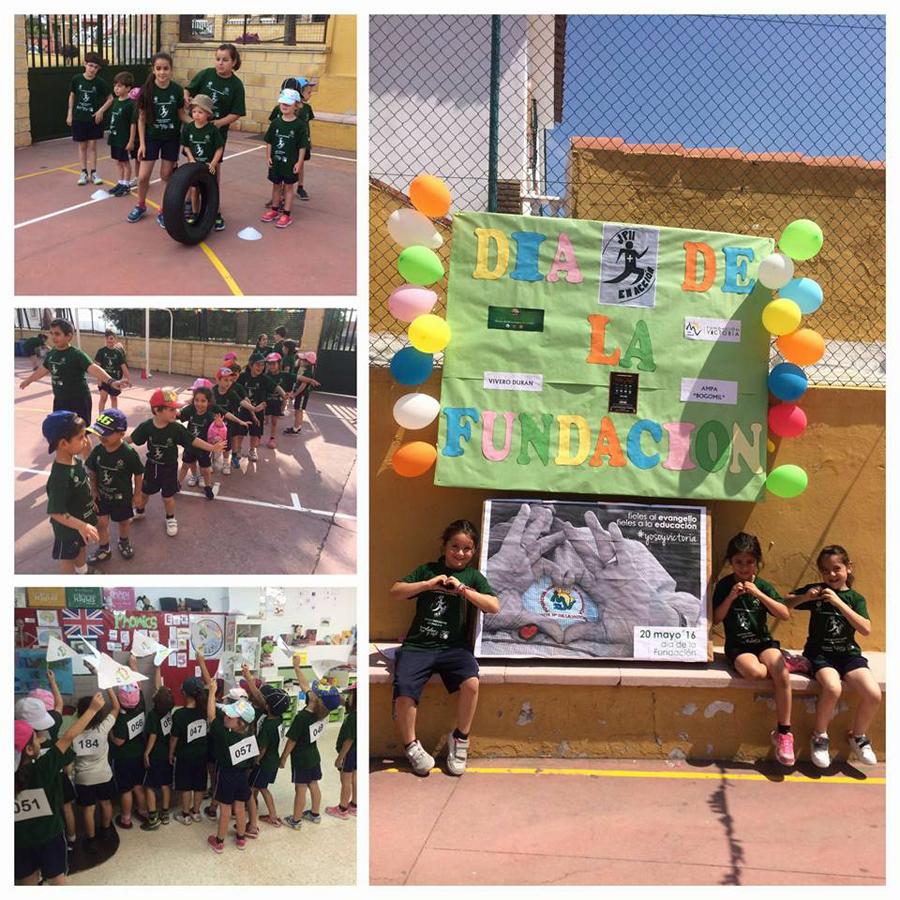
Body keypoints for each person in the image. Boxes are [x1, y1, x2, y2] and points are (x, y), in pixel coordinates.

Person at [390, 519, 500, 776]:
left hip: (454, 648)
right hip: (419, 646)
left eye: (466, 549)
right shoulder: (428, 570)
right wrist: (429, 585)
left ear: (473, 552)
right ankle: (412, 746)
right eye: (455, 546)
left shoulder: (472, 576)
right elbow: (395, 591)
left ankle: (460, 739)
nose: (460, 553)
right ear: (444, 546)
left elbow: (494, 606)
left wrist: (463, 590)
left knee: (471, 683)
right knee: (405, 690)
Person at [786, 545, 882, 768]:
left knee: (873, 694)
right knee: (832, 688)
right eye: (825, 571)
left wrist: (838, 602)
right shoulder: (817, 591)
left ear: (848, 568)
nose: (831, 575)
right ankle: (819, 736)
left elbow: (866, 628)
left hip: (848, 656)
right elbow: (784, 603)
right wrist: (804, 597)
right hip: (821, 656)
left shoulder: (855, 598)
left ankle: (858, 736)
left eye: (836, 569)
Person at [712, 532, 794, 765]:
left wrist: (758, 593)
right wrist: (730, 597)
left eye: (749, 562)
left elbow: (784, 614)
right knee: (756, 673)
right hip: (739, 646)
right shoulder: (725, 585)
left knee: (782, 675)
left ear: (756, 562)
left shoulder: (763, 586)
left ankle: (784, 733)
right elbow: (716, 619)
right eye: (739, 562)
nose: (744, 567)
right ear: (731, 562)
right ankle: (782, 660)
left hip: (763, 643)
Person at [15, 692, 106, 884]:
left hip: (18, 841)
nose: (40, 739)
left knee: (26, 883)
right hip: (50, 835)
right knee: (58, 880)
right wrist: (92, 710)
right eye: (35, 738)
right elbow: (68, 737)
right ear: (30, 750)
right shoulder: (44, 767)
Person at [127, 388, 225, 536]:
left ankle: (170, 518)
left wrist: (212, 447)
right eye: (171, 409)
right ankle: (140, 511)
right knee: (144, 493)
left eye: (175, 409)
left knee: (168, 498)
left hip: (169, 469)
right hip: (151, 467)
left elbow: (193, 440)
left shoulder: (176, 428)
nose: (176, 413)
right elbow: (131, 439)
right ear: (157, 410)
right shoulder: (147, 426)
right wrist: (114, 443)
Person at [197, 651, 258, 853]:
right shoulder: (249, 735)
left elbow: (211, 715)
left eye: (230, 716)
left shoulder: (225, 736)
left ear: (239, 722)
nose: (226, 715)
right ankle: (240, 838)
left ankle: (220, 841)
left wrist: (212, 693)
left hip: (226, 776)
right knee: (239, 808)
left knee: (225, 810)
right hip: (242, 777)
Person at [185, 42, 246, 232]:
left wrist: (218, 123)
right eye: (218, 59)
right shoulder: (206, 74)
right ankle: (191, 204)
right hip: (197, 132)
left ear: (233, 62)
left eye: (225, 60)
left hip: (216, 135)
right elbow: (189, 89)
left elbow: (236, 112)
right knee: (191, 169)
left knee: (212, 173)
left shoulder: (236, 85)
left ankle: (214, 210)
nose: (220, 63)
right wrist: (187, 97)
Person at [20, 318, 123, 427]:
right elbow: (43, 370)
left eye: (57, 334)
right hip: (60, 400)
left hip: (79, 400)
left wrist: (111, 381)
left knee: (81, 432)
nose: (53, 337)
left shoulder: (76, 354)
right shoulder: (51, 354)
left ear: (68, 336)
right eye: (51, 333)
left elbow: (94, 368)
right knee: (62, 431)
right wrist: (28, 380)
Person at [279, 656, 342, 829]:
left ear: (315, 699)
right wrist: (297, 668)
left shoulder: (302, 717)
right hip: (314, 756)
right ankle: (315, 814)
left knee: (300, 788)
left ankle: (296, 820)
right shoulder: (322, 712)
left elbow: (291, 741)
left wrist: (283, 757)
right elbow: (305, 686)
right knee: (313, 784)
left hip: (301, 758)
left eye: (314, 692)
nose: (310, 691)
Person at [128, 52, 187, 226]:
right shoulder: (147, 90)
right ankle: (140, 205)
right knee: (143, 176)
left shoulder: (177, 90)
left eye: (166, 69)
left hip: (171, 138)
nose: (162, 72)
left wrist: (199, 123)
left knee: (166, 175)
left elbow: (181, 114)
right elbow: (141, 119)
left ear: (171, 70)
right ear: (153, 70)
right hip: (151, 138)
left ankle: (163, 209)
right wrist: (142, 144)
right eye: (159, 69)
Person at [85, 409, 144, 564]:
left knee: (124, 522)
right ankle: (104, 549)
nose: (102, 436)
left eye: (107, 433)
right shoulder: (98, 451)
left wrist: (137, 494)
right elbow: (92, 470)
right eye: (99, 432)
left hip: (122, 497)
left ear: (121, 434)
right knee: (101, 524)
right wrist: (93, 490)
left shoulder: (129, 453)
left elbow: (138, 473)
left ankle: (123, 541)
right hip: (101, 496)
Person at [42, 411, 98, 574]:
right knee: (67, 558)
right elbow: (56, 512)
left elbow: (80, 486)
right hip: (68, 530)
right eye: (81, 437)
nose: (86, 441)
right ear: (64, 444)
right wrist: (82, 525)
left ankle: (83, 571)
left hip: (80, 524)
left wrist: (89, 500)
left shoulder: (75, 459)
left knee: (80, 549)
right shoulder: (60, 477)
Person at [28, 671, 78, 847]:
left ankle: (49, 844)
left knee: (44, 813)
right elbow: (59, 704)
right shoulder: (54, 721)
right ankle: (71, 839)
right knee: (67, 807)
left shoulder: (23, 732)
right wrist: (53, 682)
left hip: (34, 781)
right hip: (58, 775)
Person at [71, 688, 120, 854]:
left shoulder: (74, 733)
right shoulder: (103, 728)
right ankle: (106, 830)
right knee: (106, 803)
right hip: (104, 775)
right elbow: (116, 708)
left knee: (88, 809)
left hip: (83, 778)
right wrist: (109, 687)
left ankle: (91, 839)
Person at [261, 88, 309, 229]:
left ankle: (286, 214)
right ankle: (274, 210)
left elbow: (302, 146)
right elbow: (269, 141)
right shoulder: (276, 123)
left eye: (288, 103)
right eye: (282, 103)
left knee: (288, 187)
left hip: (290, 163)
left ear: (296, 105)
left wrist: (299, 162)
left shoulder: (300, 125)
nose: (284, 106)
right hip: (276, 161)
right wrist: (268, 156)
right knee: (276, 185)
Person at [108, 674, 149, 829]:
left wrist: (110, 732)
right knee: (138, 786)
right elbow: (139, 686)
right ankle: (143, 812)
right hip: (139, 753)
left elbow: (119, 741)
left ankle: (126, 819)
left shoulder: (120, 718)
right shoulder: (141, 705)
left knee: (126, 789)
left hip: (123, 758)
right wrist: (133, 666)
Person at [66, 52, 111, 186]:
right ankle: (83, 172)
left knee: (92, 145)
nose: (92, 69)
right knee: (82, 145)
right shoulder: (77, 79)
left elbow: (110, 99)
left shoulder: (100, 83)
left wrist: (100, 111)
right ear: (85, 64)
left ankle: (94, 172)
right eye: (90, 65)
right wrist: (70, 113)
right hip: (79, 118)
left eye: (96, 67)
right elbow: (72, 95)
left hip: (93, 119)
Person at [180, 94, 225, 225]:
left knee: (211, 191)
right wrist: (191, 158)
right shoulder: (189, 128)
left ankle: (215, 214)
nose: (196, 115)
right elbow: (186, 146)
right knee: (194, 190)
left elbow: (219, 148)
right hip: (194, 167)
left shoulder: (212, 130)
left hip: (208, 167)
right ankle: (195, 214)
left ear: (208, 114)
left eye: (200, 112)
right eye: (194, 112)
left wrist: (213, 163)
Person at [170, 676, 209, 826]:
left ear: (184, 693)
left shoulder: (179, 714)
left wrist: (171, 753)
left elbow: (174, 738)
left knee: (185, 785)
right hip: (201, 755)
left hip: (185, 756)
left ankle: (185, 814)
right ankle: (196, 812)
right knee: (199, 785)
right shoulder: (204, 711)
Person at [141, 663, 174, 830]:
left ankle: (153, 818)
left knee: (149, 786)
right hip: (167, 753)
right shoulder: (168, 709)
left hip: (155, 756)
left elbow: (152, 736)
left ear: (155, 700)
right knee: (165, 785)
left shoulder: (153, 715)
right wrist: (157, 668)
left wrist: (146, 753)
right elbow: (159, 688)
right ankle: (165, 814)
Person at [237, 353, 285, 462]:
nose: (260, 367)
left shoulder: (264, 379)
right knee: (240, 431)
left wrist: (284, 395)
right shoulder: (243, 377)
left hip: (259, 410)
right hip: (244, 410)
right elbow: (235, 387)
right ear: (250, 365)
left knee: (255, 432)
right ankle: (238, 449)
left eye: (263, 365)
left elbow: (277, 387)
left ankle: (252, 450)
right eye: (258, 365)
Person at [177, 385, 218, 500]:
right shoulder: (190, 411)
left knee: (205, 468)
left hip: (203, 447)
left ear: (209, 402)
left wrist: (218, 426)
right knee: (186, 465)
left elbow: (216, 432)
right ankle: (179, 483)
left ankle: (208, 486)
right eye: (196, 400)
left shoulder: (210, 416)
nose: (199, 404)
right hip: (190, 445)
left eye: (203, 401)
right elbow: (178, 415)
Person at [212, 367, 254, 475]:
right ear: (218, 380)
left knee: (226, 445)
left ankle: (226, 463)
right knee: (212, 441)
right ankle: (212, 461)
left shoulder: (231, 393)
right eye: (226, 380)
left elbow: (241, 402)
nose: (229, 383)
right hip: (214, 424)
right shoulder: (212, 392)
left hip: (228, 424)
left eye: (230, 380)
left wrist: (253, 408)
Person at [325, 683, 357, 819]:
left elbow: (348, 741)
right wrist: (333, 691)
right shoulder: (357, 713)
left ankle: (342, 808)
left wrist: (340, 758)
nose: (347, 697)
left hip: (348, 753)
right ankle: (355, 805)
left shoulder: (351, 718)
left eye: (350, 695)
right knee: (355, 777)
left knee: (346, 780)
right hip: (356, 752)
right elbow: (345, 703)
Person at [107, 71, 138, 196]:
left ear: (128, 88)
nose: (116, 88)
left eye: (119, 86)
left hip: (124, 139)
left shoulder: (130, 104)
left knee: (125, 162)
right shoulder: (115, 101)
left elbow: (133, 124)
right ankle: (120, 182)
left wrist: (131, 141)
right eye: (115, 85)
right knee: (118, 161)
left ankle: (126, 185)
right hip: (115, 137)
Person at [283, 351, 321, 435]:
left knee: (298, 411)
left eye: (302, 360)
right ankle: (298, 426)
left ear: (307, 362)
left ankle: (295, 428)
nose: (300, 361)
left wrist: (295, 394)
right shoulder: (304, 370)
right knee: (298, 410)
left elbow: (303, 386)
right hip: (300, 395)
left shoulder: (308, 372)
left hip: (302, 395)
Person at [94, 330, 131, 413]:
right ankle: (101, 416)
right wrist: (99, 380)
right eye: (107, 338)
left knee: (114, 398)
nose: (109, 340)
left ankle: (115, 416)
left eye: (111, 338)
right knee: (103, 398)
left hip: (115, 380)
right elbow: (97, 367)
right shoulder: (101, 351)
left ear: (115, 339)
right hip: (104, 379)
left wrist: (128, 379)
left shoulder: (118, 353)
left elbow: (123, 367)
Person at [295, 77, 316, 200]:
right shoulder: (292, 108)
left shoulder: (307, 109)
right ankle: (283, 189)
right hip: (293, 142)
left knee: (301, 164)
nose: (310, 94)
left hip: (304, 142)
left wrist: (309, 140)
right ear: (299, 92)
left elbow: (307, 125)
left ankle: (300, 187)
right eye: (308, 92)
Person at [265, 352, 289, 448]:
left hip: (276, 403)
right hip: (265, 402)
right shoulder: (265, 376)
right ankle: (257, 437)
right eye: (270, 364)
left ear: (279, 364)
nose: (272, 366)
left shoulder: (283, 376)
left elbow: (284, 394)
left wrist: (283, 405)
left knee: (274, 421)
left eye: (274, 363)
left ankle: (272, 438)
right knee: (262, 421)